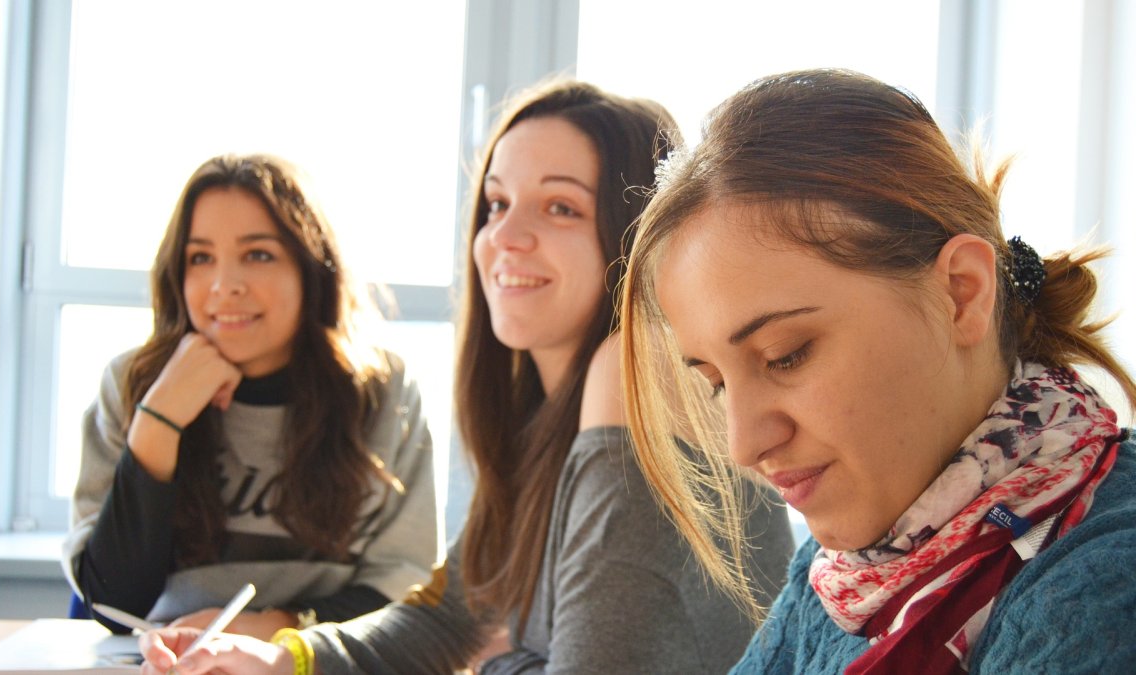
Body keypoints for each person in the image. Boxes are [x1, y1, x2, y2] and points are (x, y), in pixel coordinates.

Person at [138, 79, 795, 674]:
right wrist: (281, 659)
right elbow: (449, 616)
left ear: (633, 232)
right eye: (496, 203)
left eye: (559, 208)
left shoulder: (631, 368)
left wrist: (497, 666)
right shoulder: (544, 411)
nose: (504, 236)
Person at [620, 67, 1136, 674]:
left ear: (962, 293)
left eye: (787, 354)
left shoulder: (1105, 583)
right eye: (716, 382)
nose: (743, 444)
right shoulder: (851, 564)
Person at [62, 153, 439, 641]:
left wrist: (275, 629)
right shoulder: (132, 383)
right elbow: (113, 606)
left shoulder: (382, 392)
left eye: (258, 254)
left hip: (319, 662)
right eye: (200, 258)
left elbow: (404, 587)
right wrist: (158, 422)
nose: (224, 286)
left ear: (311, 269)